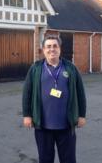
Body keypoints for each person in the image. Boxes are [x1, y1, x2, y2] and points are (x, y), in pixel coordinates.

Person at [22, 35, 87, 163]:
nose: (52, 49)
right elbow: (27, 93)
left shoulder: (70, 68)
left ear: (60, 49)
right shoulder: (36, 68)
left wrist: (81, 115)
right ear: (43, 49)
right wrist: (27, 115)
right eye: (48, 46)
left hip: (66, 126)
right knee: (45, 159)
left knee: (68, 159)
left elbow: (80, 93)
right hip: (43, 126)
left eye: (55, 46)